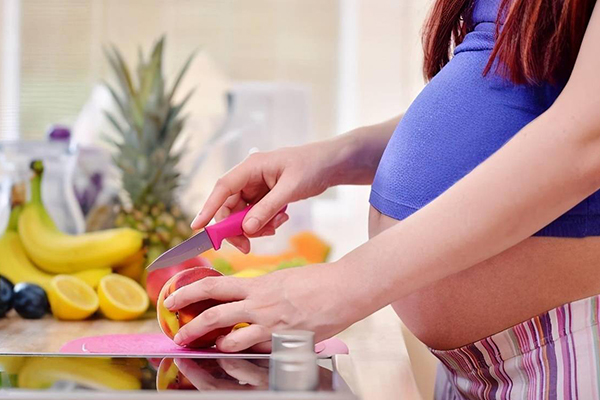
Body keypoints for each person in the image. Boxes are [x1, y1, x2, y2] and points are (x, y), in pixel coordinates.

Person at [162, 0, 600, 397]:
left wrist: (343, 285)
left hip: (569, 352)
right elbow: (509, 97)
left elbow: (586, 142)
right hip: (479, 366)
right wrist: (336, 158)